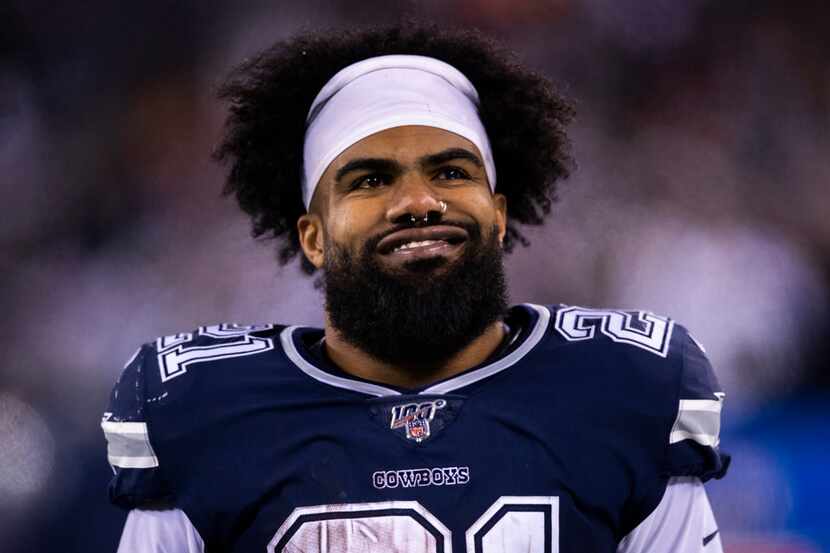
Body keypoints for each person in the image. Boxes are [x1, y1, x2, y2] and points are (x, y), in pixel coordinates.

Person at [101, 23, 729, 553]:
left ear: (499, 211)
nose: (419, 202)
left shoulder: (626, 389)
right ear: (313, 236)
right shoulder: (201, 413)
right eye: (370, 180)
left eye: (451, 171)